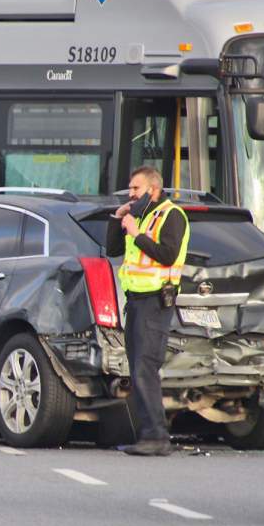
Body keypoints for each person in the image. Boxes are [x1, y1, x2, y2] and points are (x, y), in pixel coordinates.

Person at [106, 166, 190, 456]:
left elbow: (167, 255)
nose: (130, 194)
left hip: (156, 301)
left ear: (153, 190)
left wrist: (138, 233)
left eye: (135, 189)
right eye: (130, 189)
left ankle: (156, 436)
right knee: (138, 368)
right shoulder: (140, 216)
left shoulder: (171, 215)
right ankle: (148, 435)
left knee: (145, 369)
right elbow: (112, 250)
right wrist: (117, 219)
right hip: (136, 302)